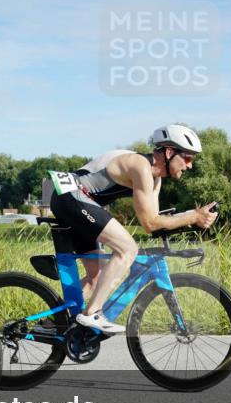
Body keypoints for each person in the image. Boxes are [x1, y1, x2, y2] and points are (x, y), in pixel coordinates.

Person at [46, 124, 218, 333]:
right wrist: (192, 216)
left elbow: (155, 222)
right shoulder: (140, 166)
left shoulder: (155, 180)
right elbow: (150, 223)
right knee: (127, 249)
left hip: (76, 201)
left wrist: (193, 216)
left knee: (97, 278)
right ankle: (92, 314)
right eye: (188, 158)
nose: (190, 166)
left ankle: (52, 325)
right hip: (71, 197)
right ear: (170, 152)